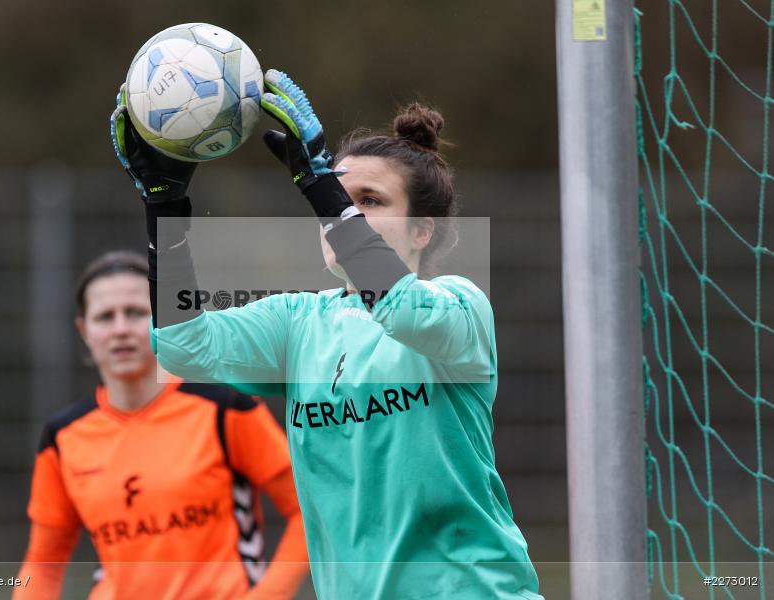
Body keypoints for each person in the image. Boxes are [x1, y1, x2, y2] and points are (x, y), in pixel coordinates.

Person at [111, 69, 543, 599]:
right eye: (340, 199)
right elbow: (184, 346)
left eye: (371, 200)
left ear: (422, 229)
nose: (341, 212)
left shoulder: (461, 305)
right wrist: (164, 208)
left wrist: (321, 185)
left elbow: (400, 307)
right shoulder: (300, 323)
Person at [14, 250, 308, 600]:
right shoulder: (63, 437)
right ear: (84, 330)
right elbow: (43, 562)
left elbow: (306, 511)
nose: (121, 329)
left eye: (136, 313)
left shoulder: (223, 406)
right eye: (106, 317)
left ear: (162, 319)